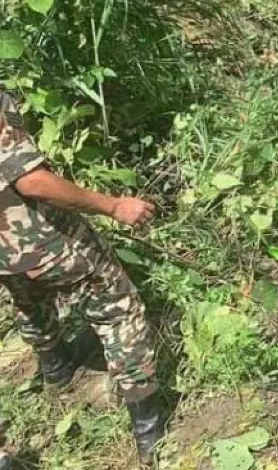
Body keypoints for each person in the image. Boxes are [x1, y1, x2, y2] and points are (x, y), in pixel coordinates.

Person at [0, 89, 167, 463]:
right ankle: (149, 428)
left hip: (4, 254)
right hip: (43, 240)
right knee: (118, 309)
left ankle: (57, 370)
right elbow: (32, 182)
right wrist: (114, 205)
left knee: (27, 297)